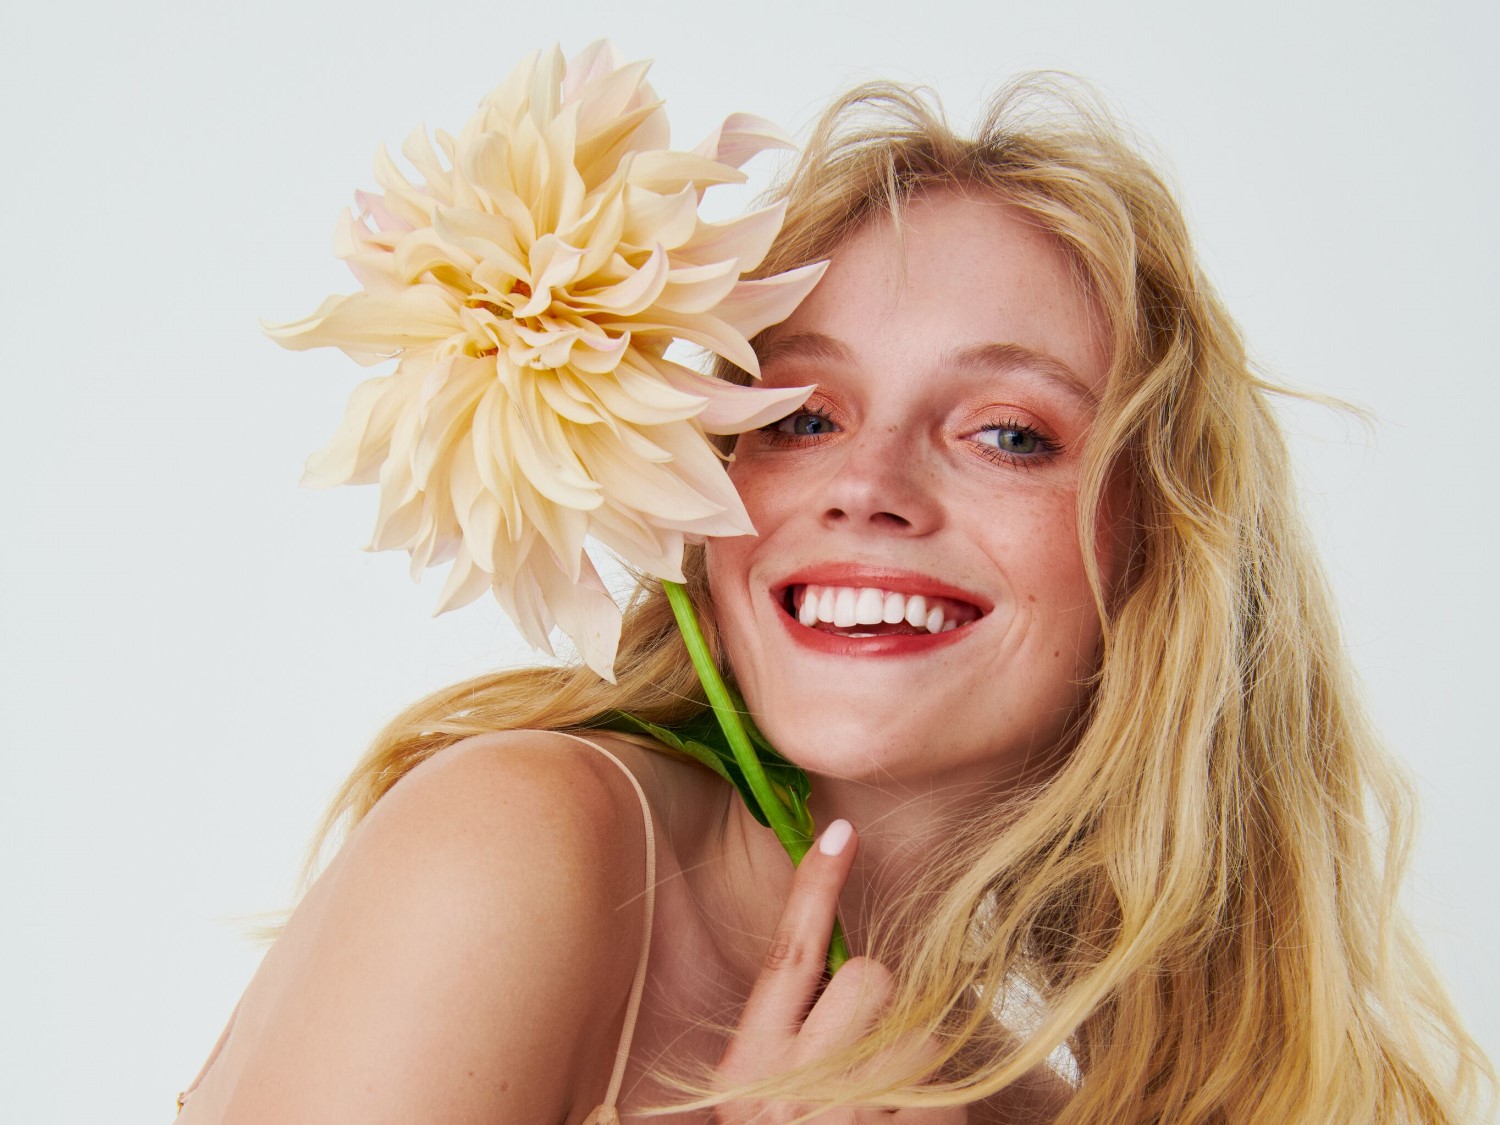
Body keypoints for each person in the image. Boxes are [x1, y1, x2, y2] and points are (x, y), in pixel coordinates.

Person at [175, 76, 1492, 1122]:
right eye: (800, 413)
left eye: (1008, 434)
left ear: (1159, 550)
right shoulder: (522, 849)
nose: (866, 483)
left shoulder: (1030, 1104)